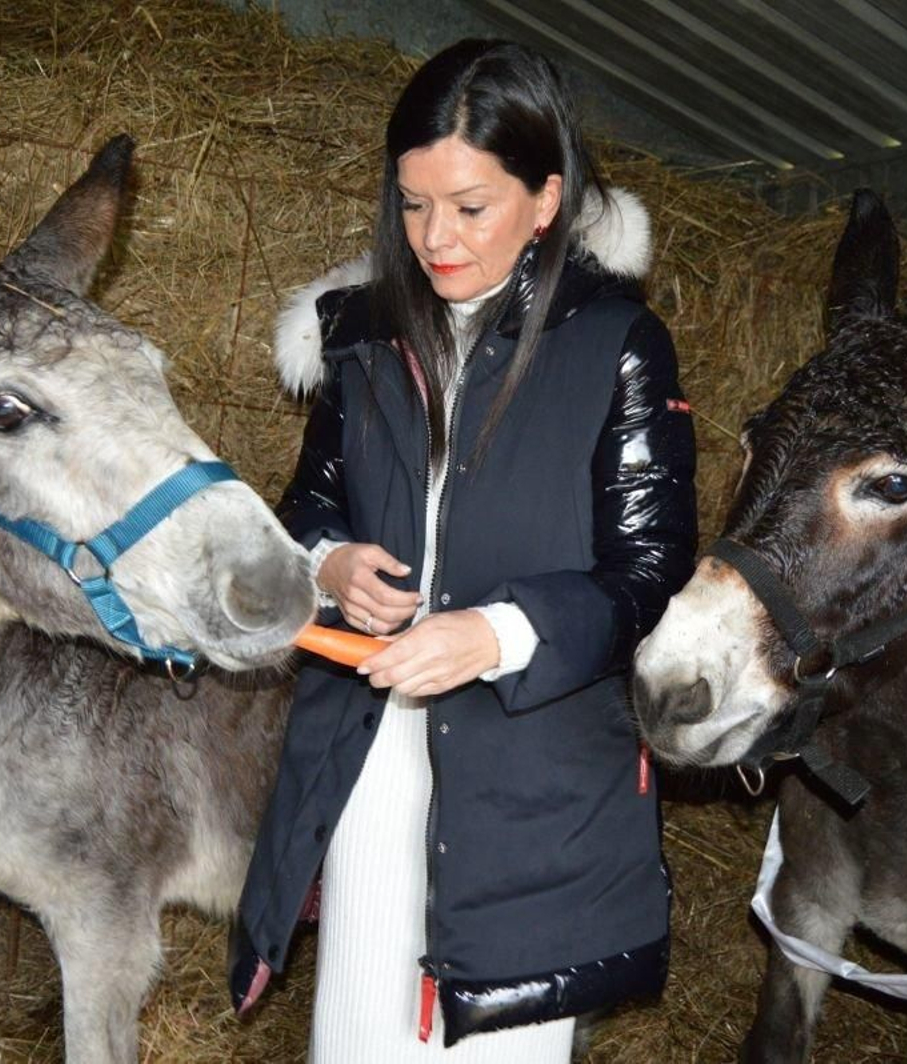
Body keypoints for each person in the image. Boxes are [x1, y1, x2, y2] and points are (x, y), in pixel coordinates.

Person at [229, 38, 697, 1060]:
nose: (436, 236)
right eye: (412, 204)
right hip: (372, 751)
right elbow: (305, 504)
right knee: (360, 1028)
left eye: (470, 206)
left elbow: (652, 567)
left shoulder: (615, 342)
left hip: (534, 782)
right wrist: (329, 561)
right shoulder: (361, 334)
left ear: (545, 198)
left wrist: (496, 632)